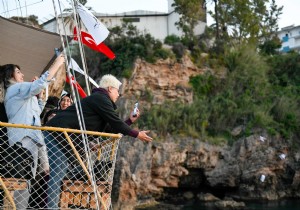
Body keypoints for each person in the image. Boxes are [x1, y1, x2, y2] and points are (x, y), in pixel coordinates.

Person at [44, 74, 153, 209]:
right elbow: (116, 123)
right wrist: (136, 134)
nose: (119, 94)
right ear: (110, 89)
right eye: (117, 90)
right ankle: (51, 208)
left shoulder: (99, 100)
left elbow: (110, 129)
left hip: (60, 137)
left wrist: (130, 121)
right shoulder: (100, 98)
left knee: (59, 175)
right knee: (57, 175)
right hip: (57, 135)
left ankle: (52, 206)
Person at [0, 54, 65, 209]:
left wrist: (40, 96)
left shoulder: (17, 92)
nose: (22, 74)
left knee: (26, 179)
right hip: (25, 139)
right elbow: (42, 82)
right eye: (18, 72)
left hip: (29, 138)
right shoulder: (15, 88)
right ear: (11, 76)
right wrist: (58, 62)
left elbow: (36, 112)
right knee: (24, 180)